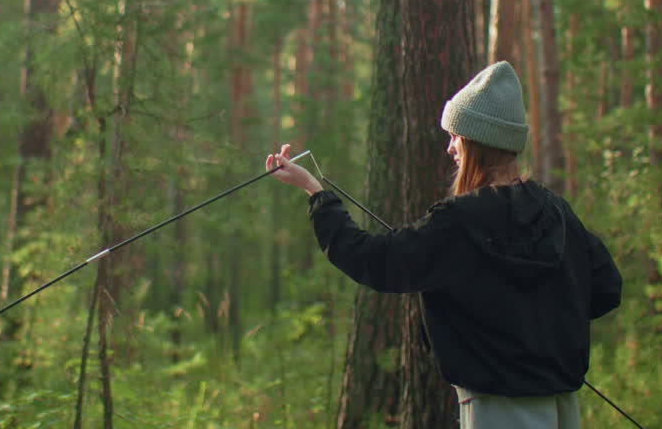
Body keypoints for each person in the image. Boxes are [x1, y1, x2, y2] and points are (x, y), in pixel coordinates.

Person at [266, 61, 622, 429]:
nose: (450, 147)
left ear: (475, 143)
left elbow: (375, 260)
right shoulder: (556, 211)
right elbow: (606, 289)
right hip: (563, 405)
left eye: (456, 137)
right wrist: (541, 328)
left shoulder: (460, 221)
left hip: (495, 408)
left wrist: (316, 194)